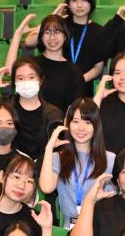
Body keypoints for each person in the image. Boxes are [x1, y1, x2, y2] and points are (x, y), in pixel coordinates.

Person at [38, 97, 116, 228]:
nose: (81, 128)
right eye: (75, 121)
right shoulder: (58, 158)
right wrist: (49, 148)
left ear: (96, 125)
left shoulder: (110, 159)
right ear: (67, 123)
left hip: (101, 226)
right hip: (70, 227)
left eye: (87, 122)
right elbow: (46, 187)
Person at [5, 12, 88, 112]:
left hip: (58, 121)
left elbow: (74, 110)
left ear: (65, 36)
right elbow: (9, 71)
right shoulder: (32, 64)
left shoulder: (74, 72)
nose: (52, 37)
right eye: (47, 32)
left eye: (57, 32)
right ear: (41, 37)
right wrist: (17, 35)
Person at [59, 0, 108, 85]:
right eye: (74, 0)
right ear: (68, 4)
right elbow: (29, 42)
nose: (79, 5)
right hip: (58, 81)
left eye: (84, 0)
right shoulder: (60, 26)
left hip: (84, 84)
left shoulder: (99, 31)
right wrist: (53, 17)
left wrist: (79, 81)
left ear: (91, 3)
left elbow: (98, 67)